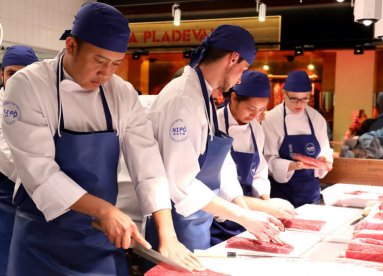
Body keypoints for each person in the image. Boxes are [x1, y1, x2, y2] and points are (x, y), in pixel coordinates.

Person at [2, 3, 202, 275]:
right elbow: (39, 172)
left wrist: (167, 236)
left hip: (101, 239)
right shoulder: (28, 85)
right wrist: (105, 210)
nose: (107, 74)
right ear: (71, 45)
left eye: (116, 64)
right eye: (99, 60)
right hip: (42, 240)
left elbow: (148, 166)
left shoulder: (122, 93)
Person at [147, 25, 283, 252]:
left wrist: (245, 210)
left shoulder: (204, 96)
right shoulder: (184, 99)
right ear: (233, 58)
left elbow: (221, 163)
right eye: (243, 69)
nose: (240, 79)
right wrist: (242, 216)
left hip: (198, 220)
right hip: (174, 224)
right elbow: (181, 184)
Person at [210, 70, 295, 245]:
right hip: (217, 216)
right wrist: (249, 211)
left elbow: (259, 170)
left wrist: (266, 200)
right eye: (251, 109)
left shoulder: (256, 128)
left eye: (261, 110)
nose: (255, 116)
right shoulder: (213, 123)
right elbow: (221, 178)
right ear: (233, 98)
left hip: (248, 214)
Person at [262, 70, 333, 208]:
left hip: (311, 193)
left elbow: (325, 149)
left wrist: (324, 159)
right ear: (284, 93)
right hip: (281, 195)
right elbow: (267, 159)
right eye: (294, 98)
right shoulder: (271, 119)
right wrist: (294, 166)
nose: (299, 104)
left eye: (305, 99)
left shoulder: (317, 119)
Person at [0, 45, 38, 276]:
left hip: (38, 191)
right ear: (2, 74)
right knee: (5, 252)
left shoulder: (44, 104)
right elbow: (4, 153)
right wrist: (40, 181)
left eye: (25, 73)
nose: (18, 79)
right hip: (7, 190)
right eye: (13, 73)